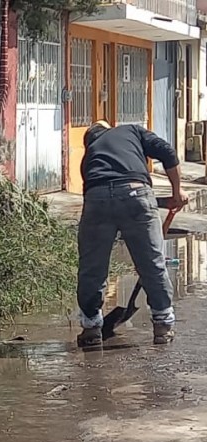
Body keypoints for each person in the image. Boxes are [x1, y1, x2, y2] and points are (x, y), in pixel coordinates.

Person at [77, 120, 188, 347]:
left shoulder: (89, 158)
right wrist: (177, 192)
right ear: (109, 129)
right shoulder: (130, 130)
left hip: (97, 201)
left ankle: (90, 329)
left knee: (92, 268)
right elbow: (166, 151)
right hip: (136, 195)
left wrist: (163, 200)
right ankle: (163, 326)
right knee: (153, 264)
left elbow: (108, 192)